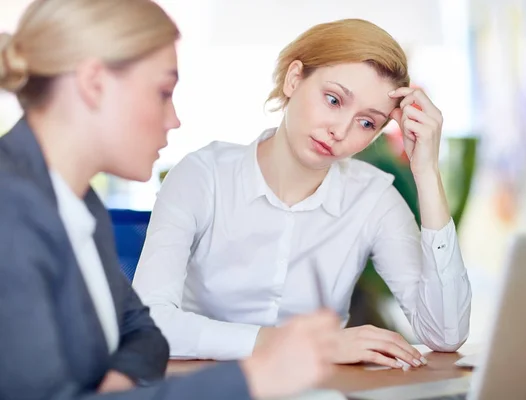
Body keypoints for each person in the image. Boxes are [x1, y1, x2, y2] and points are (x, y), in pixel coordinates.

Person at [0, 0, 338, 399]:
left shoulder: (77, 202)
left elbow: (143, 332)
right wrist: (255, 379)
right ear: (94, 83)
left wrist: (115, 389)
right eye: (163, 92)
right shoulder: (11, 213)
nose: (174, 118)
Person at [132, 18, 472, 369]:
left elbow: (445, 334)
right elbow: (149, 323)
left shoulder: (373, 198)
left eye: (367, 122)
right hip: (206, 385)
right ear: (294, 79)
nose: (340, 130)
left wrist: (427, 172)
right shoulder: (203, 177)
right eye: (333, 99)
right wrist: (307, 346)